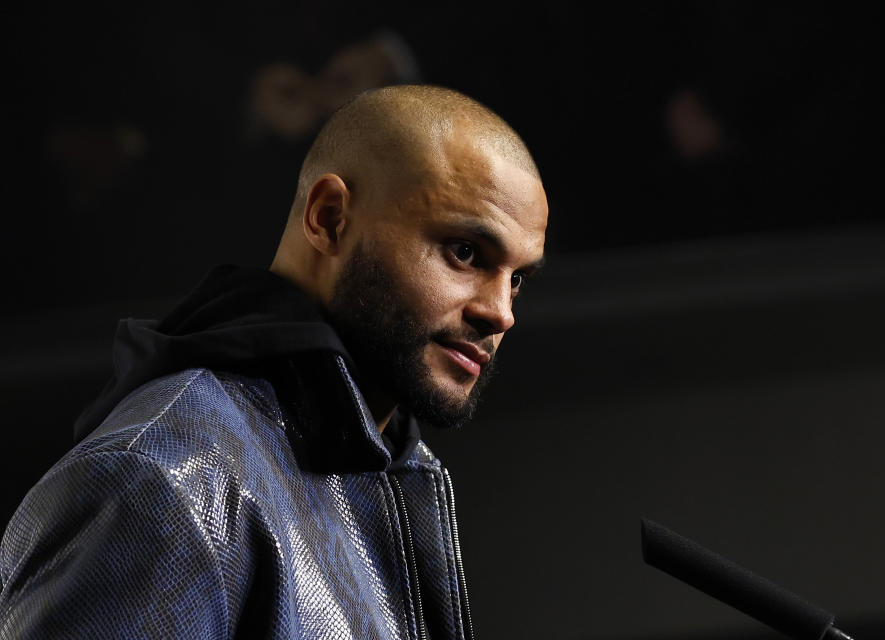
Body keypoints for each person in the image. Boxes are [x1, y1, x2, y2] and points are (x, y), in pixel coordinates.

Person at [0, 85, 548, 639]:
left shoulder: (389, 467)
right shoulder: (168, 481)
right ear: (330, 217)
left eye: (518, 278)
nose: (500, 313)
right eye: (464, 252)